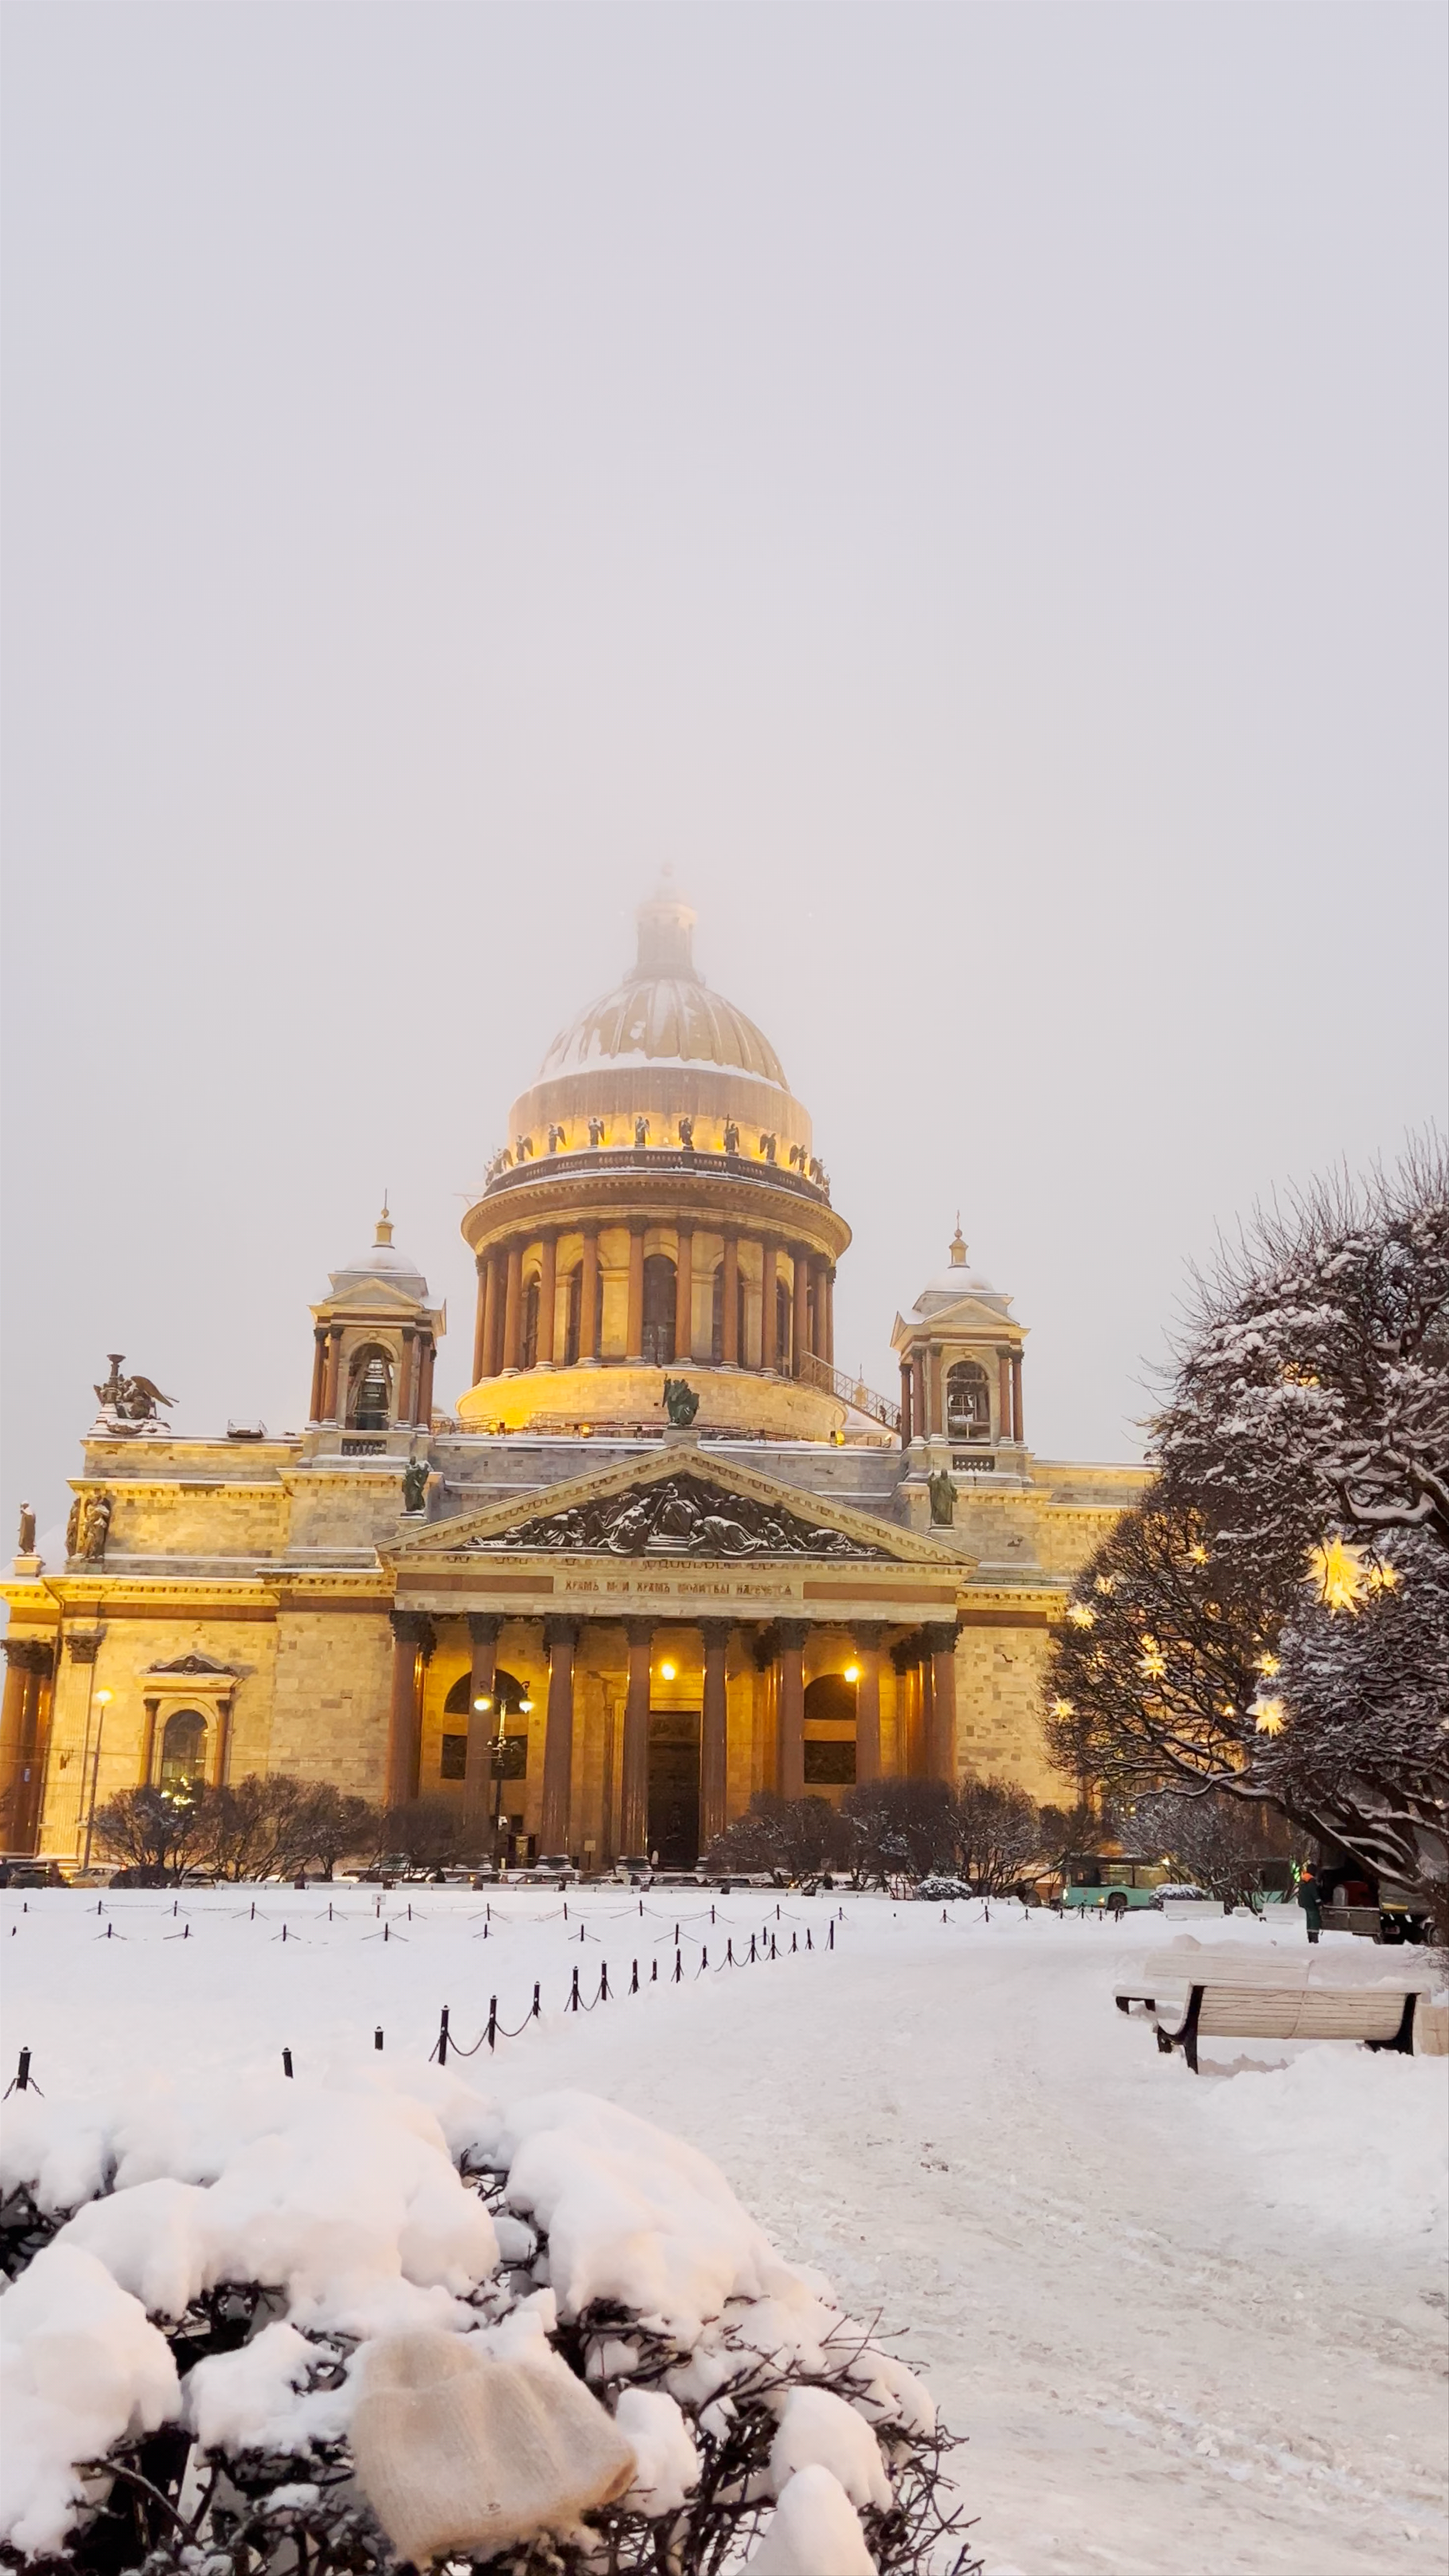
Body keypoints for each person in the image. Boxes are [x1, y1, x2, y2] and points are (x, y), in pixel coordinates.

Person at [1297, 1864, 1323, 1943]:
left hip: (1304, 1902)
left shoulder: (1304, 1878)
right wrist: (1319, 1902)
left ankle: (1310, 1937)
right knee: (1315, 1918)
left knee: (1309, 1919)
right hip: (1311, 1903)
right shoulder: (1311, 1880)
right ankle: (1314, 1939)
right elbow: (1313, 1892)